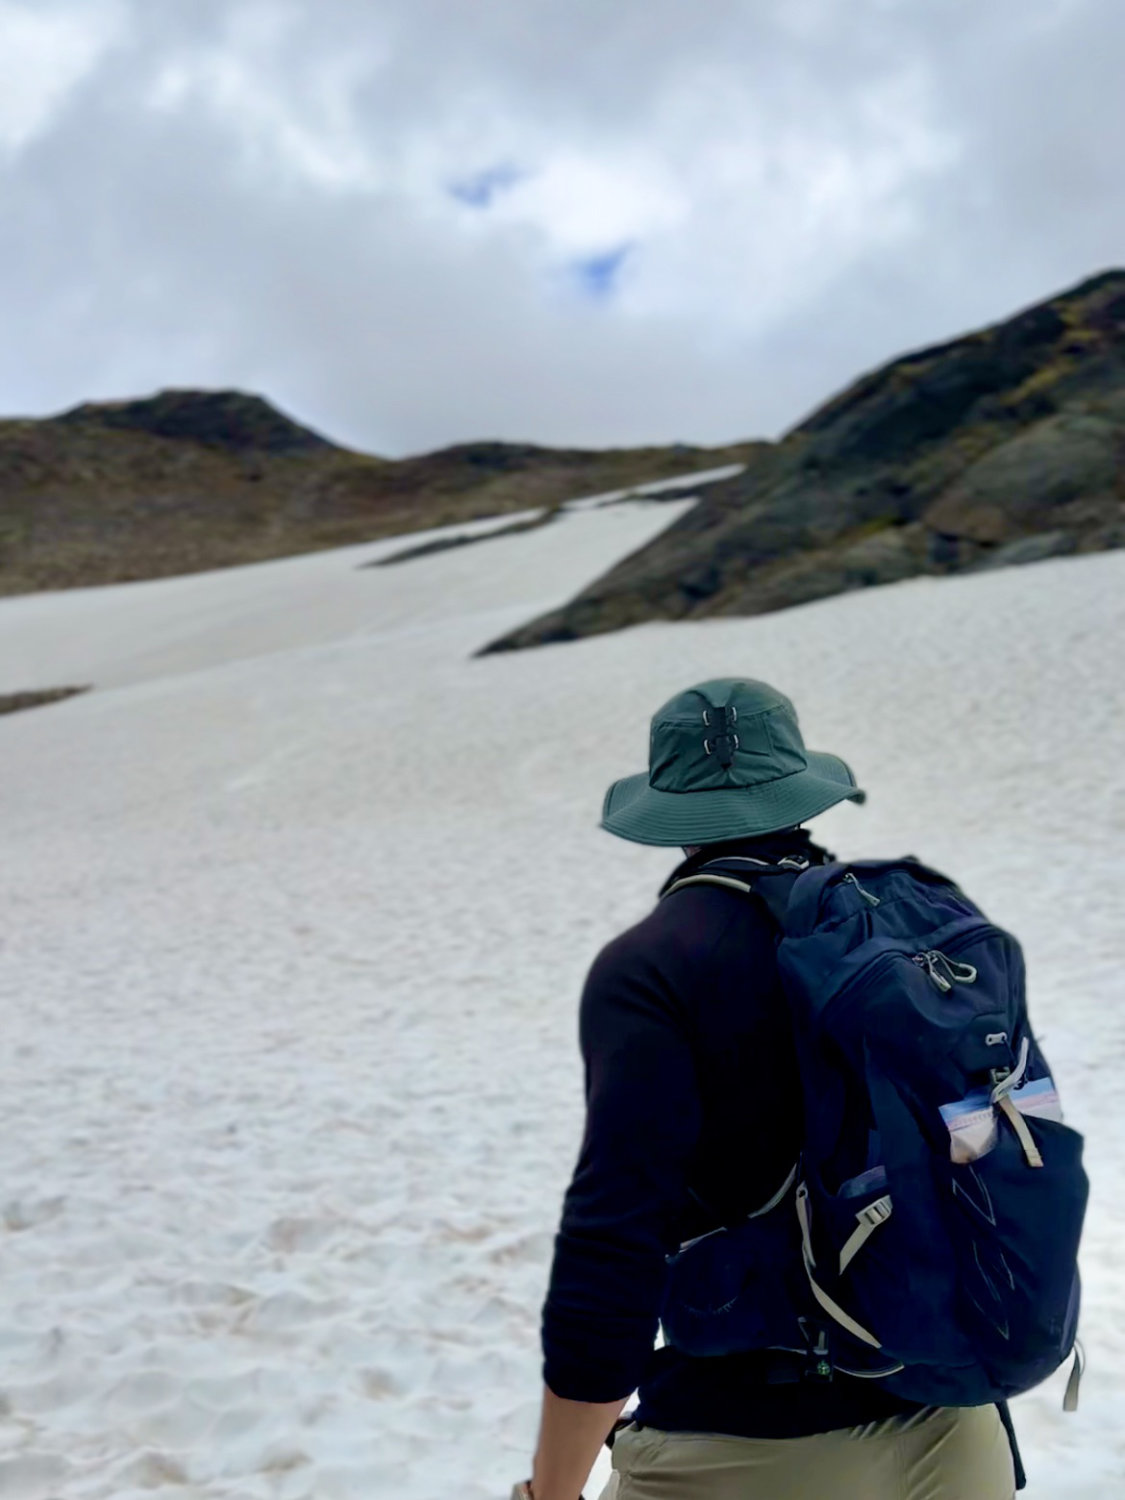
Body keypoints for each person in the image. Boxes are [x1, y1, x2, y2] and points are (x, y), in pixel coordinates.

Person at [514, 678, 1016, 1500]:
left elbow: (611, 1245)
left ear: (669, 812)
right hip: (957, 1425)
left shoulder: (655, 965)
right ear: (798, 788)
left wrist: (553, 1489)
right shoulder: (905, 924)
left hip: (746, 1447)